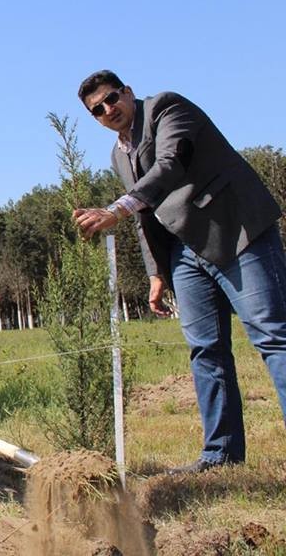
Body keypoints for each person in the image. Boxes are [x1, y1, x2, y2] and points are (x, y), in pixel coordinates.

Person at [74, 69, 286, 474]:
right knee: (205, 350)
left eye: (112, 98)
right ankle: (220, 455)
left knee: (274, 336)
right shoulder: (119, 154)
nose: (108, 110)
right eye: (98, 110)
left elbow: (171, 164)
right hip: (185, 254)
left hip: (238, 233)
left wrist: (116, 208)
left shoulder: (166, 108)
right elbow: (147, 217)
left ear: (128, 92)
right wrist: (157, 272)